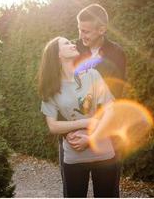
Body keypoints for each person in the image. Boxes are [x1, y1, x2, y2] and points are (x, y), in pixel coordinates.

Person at [39, 37, 120, 197]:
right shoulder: (51, 87)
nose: (73, 44)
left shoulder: (92, 75)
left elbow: (111, 110)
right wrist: (87, 121)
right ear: (57, 55)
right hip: (74, 156)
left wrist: (91, 139)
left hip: (103, 152)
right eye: (66, 43)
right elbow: (53, 126)